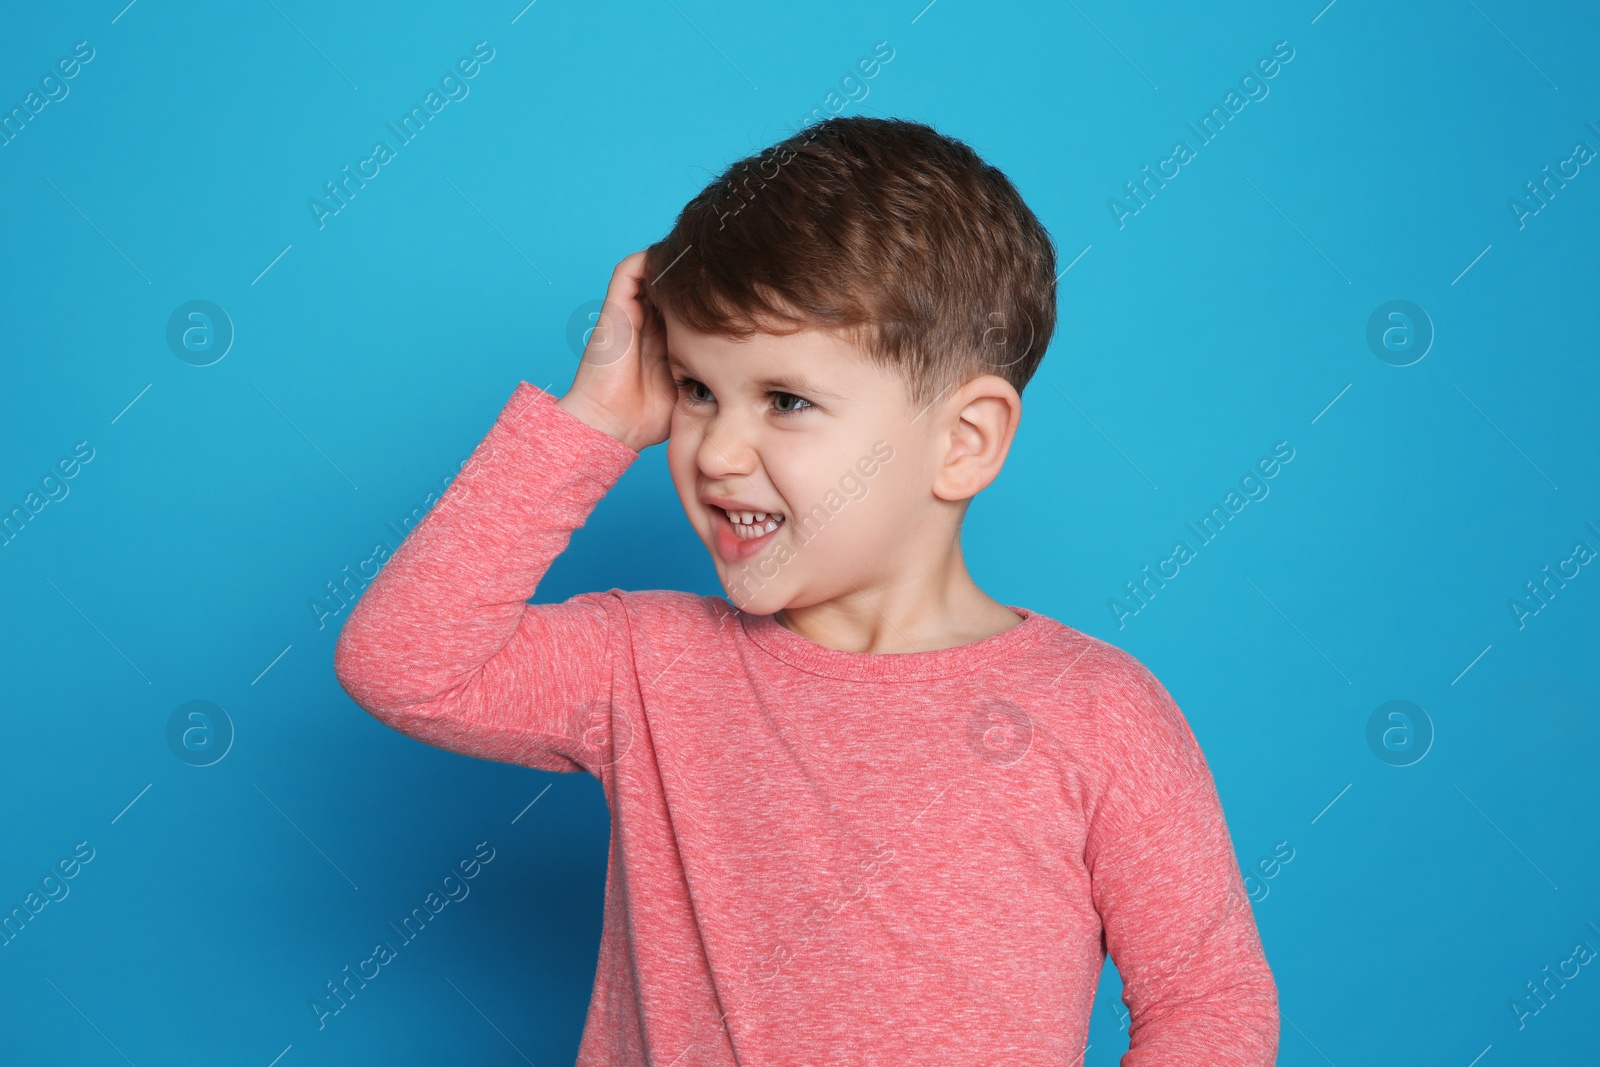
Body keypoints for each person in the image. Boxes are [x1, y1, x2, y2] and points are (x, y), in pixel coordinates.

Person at [334, 115, 1278, 1065]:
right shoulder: (647, 666)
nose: (717, 451)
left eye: (785, 400)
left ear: (965, 441)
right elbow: (403, 664)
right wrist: (595, 424)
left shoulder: (1098, 712)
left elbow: (1210, 1000)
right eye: (697, 390)